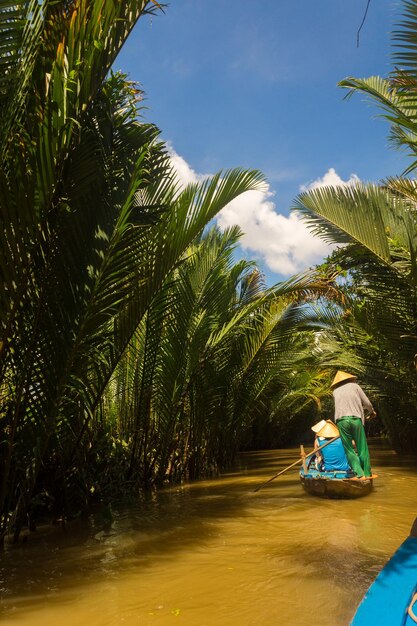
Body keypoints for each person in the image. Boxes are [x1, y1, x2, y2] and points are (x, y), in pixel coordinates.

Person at [331, 370, 376, 479]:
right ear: (350, 379)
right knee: (362, 447)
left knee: (349, 449)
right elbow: (366, 403)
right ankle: (367, 473)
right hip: (355, 419)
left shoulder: (335, 391)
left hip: (341, 421)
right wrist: (372, 411)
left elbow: (343, 405)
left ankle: (359, 473)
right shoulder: (355, 386)